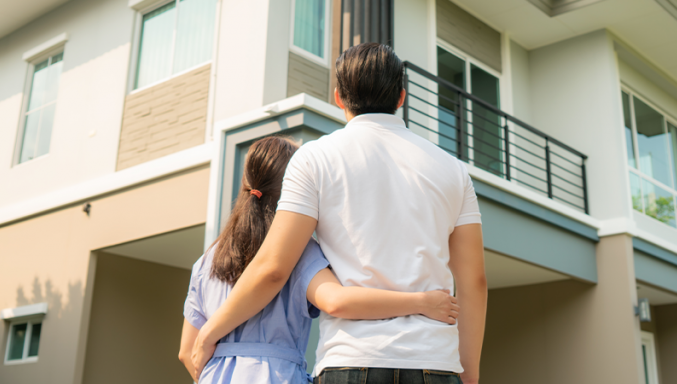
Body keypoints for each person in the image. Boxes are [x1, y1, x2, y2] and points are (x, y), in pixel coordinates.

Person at [191, 43, 488, 384]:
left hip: (350, 361)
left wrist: (209, 333)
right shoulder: (454, 171)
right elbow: (474, 282)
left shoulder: (314, 158)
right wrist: (468, 374)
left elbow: (273, 268)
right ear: (401, 97)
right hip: (435, 362)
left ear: (338, 97)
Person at [178, 135, 461, 383]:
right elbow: (336, 301)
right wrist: (422, 302)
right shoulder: (297, 251)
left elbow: (186, 352)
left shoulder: (206, 261)